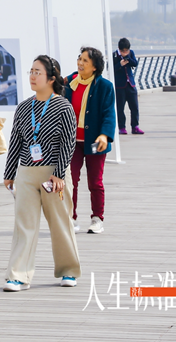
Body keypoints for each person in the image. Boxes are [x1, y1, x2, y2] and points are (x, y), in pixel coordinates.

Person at [2, 56, 80, 291]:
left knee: (60, 223)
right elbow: (16, 140)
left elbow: (68, 143)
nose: (32, 76)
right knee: (24, 224)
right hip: (27, 173)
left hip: (54, 174)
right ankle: (18, 275)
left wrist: (59, 174)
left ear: (52, 78)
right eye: (31, 71)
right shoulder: (24, 107)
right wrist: (9, 172)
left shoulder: (64, 107)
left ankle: (68, 270)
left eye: (38, 72)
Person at [64, 46, 116, 234]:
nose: (80, 63)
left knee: (95, 181)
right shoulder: (69, 82)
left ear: (95, 66)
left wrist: (104, 135)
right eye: (80, 59)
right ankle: (70, 218)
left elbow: (109, 114)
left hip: (94, 142)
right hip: (72, 142)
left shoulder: (105, 86)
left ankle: (97, 219)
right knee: (70, 181)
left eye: (85, 60)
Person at [113, 38, 143, 135]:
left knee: (134, 107)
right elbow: (111, 69)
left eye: (127, 50)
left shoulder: (131, 53)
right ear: (119, 48)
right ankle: (122, 127)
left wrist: (128, 58)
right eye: (123, 51)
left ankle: (135, 126)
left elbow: (135, 63)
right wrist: (120, 64)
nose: (125, 52)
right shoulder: (114, 55)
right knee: (120, 108)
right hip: (120, 86)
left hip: (131, 84)